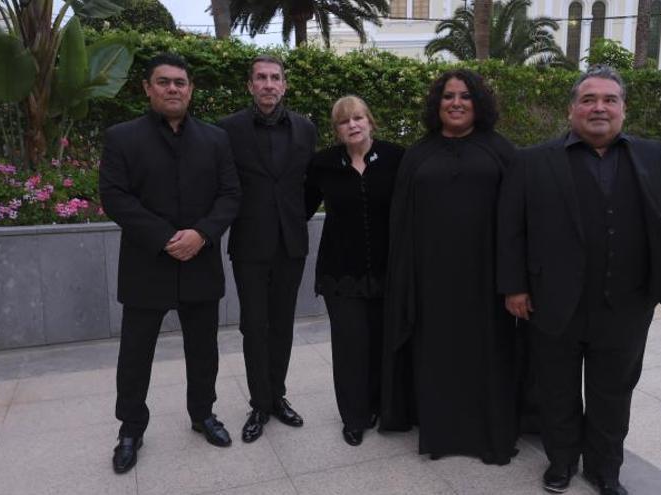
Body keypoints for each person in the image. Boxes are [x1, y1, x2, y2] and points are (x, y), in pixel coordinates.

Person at [498, 65, 661, 495]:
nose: (599, 107)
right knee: (557, 391)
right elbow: (511, 229)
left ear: (623, 109)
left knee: (613, 394)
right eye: (588, 99)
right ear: (571, 110)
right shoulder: (532, 161)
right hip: (552, 302)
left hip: (627, 304)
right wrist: (515, 287)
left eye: (609, 100)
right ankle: (562, 463)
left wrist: (660, 282)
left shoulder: (652, 155)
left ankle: (605, 471)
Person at [99, 53, 241, 474]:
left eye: (180, 82)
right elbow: (115, 197)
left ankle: (203, 415)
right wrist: (164, 238)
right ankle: (130, 429)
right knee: (135, 354)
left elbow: (230, 194)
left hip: (200, 261)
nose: (173, 89)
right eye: (164, 82)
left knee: (204, 351)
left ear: (191, 89)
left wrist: (201, 233)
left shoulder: (215, 140)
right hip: (147, 264)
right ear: (148, 88)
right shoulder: (122, 138)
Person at [381, 69, 521, 465]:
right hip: (432, 280)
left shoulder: (501, 151)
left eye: (465, 96)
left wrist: (515, 278)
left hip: (487, 280)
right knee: (436, 356)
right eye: (447, 96)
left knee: (488, 354)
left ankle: (489, 436)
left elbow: (518, 217)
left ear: (478, 104)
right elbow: (401, 222)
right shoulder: (418, 154)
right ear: (436, 104)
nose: (456, 103)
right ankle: (441, 434)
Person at [217, 55, 317, 443]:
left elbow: (308, 186)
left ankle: (278, 396)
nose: (269, 84)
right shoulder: (227, 130)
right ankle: (259, 403)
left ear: (285, 85)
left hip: (291, 244)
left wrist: (295, 217)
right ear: (250, 85)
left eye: (275, 78)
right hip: (249, 245)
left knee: (283, 326)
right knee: (253, 327)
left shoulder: (306, 129)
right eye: (261, 78)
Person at [304, 96, 405, 446]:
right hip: (340, 273)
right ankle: (353, 417)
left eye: (358, 118)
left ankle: (377, 405)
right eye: (344, 121)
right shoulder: (323, 164)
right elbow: (298, 207)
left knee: (379, 344)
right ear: (337, 129)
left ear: (371, 121)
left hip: (387, 271)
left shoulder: (396, 157)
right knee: (350, 347)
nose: (353, 125)